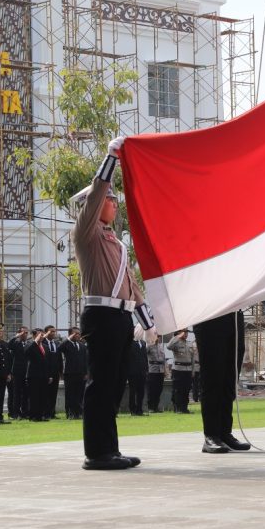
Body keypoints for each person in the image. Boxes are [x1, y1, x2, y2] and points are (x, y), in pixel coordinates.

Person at [71, 135, 152, 470]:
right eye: (109, 199)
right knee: (102, 384)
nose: (114, 203)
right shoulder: (86, 233)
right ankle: (96, 453)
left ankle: (110, 449)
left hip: (120, 318)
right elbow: (99, 189)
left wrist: (148, 322)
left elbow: (131, 286)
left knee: (116, 384)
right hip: (100, 315)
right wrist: (111, 158)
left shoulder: (115, 242)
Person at [195, 311, 251, 454]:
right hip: (210, 315)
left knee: (230, 379)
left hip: (234, 314)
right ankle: (211, 435)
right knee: (213, 377)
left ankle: (225, 433)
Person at [60, 327, 89, 420]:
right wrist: (68, 339)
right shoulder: (67, 345)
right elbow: (60, 348)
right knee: (70, 394)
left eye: (78, 333)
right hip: (70, 374)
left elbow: (85, 361)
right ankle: (70, 413)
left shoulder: (82, 346)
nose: (77, 335)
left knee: (79, 394)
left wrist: (86, 373)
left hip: (81, 374)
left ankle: (78, 412)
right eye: (75, 333)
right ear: (70, 334)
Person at [25, 328, 51, 422]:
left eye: (42, 334)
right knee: (34, 397)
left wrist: (49, 375)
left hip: (44, 375)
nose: (41, 336)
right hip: (33, 375)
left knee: (42, 396)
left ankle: (40, 416)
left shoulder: (45, 346)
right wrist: (35, 341)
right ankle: (33, 416)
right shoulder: (30, 345)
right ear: (34, 335)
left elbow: (47, 362)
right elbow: (27, 352)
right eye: (39, 334)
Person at [167, 330, 195, 413]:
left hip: (188, 370)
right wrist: (177, 337)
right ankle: (178, 408)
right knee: (178, 390)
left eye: (186, 333)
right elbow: (168, 346)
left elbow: (192, 358)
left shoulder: (189, 344)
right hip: (178, 369)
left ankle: (184, 408)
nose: (186, 334)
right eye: (184, 332)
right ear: (179, 333)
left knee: (186, 389)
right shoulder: (176, 342)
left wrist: (193, 370)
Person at [7, 326, 29, 419]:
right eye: (24, 333)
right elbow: (9, 345)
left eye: (27, 333)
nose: (25, 335)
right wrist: (16, 336)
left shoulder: (28, 343)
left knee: (25, 393)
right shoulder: (16, 343)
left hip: (26, 372)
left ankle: (25, 412)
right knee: (16, 393)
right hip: (17, 372)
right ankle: (16, 413)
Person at [126, 329, 148, 416]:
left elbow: (145, 358)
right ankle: (132, 409)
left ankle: (139, 409)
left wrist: (146, 369)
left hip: (142, 371)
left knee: (141, 391)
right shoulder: (129, 343)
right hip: (132, 372)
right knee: (133, 391)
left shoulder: (143, 343)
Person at [146, 336, 167, 412]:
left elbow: (164, 359)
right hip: (152, 370)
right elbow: (144, 355)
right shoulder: (149, 346)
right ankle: (151, 407)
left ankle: (156, 407)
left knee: (159, 390)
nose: (158, 338)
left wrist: (165, 370)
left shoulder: (160, 346)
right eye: (156, 336)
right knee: (152, 390)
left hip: (160, 370)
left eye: (159, 336)